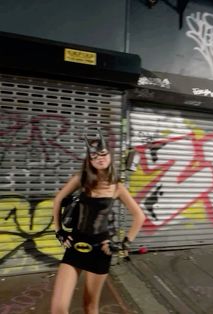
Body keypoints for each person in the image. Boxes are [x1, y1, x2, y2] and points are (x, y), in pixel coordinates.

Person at [51, 130, 145, 314]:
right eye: (94, 156)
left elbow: (139, 216)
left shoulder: (117, 187)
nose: (100, 158)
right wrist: (59, 231)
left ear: (109, 156)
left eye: (103, 154)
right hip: (75, 247)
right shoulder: (82, 179)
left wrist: (123, 243)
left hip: (100, 251)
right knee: (58, 308)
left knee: (90, 306)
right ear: (89, 160)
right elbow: (58, 200)